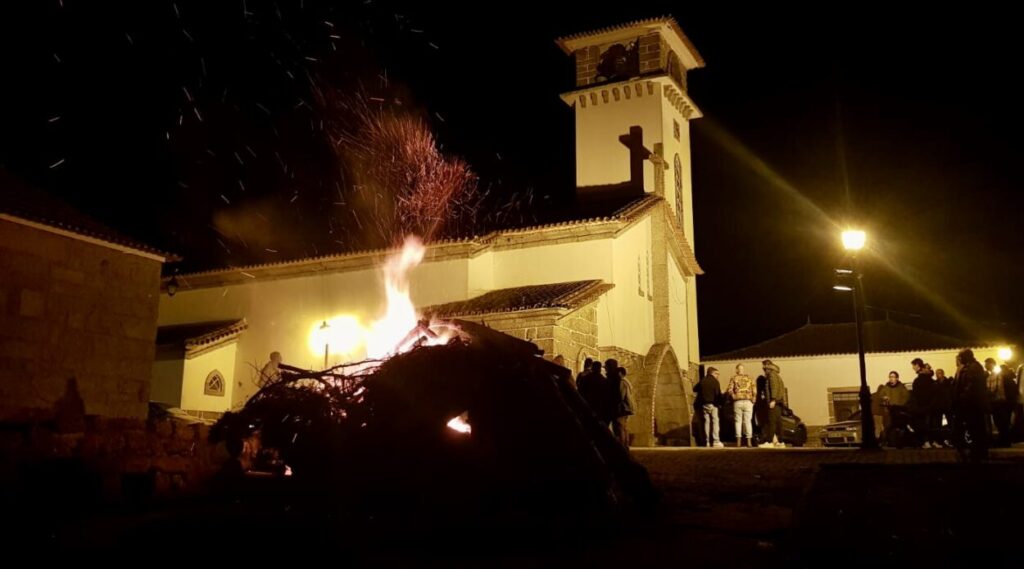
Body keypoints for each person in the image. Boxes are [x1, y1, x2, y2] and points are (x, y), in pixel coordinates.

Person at [727, 364, 757, 447]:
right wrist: (754, 398)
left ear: (736, 370)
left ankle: (738, 442)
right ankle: (749, 442)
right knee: (748, 421)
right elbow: (754, 389)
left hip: (738, 401)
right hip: (748, 401)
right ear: (743, 369)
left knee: (738, 421)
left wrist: (733, 396)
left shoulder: (734, 378)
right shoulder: (750, 378)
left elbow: (729, 390)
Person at [759, 360, 786, 448]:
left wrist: (773, 400)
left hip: (774, 402)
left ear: (768, 366)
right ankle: (780, 442)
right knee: (778, 423)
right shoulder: (777, 375)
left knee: (771, 422)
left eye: (764, 366)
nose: (763, 368)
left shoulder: (771, 375)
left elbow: (773, 387)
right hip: (779, 402)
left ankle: (769, 441)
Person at [695, 367, 724, 447]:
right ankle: (716, 441)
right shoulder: (715, 382)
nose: (718, 376)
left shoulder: (702, 381)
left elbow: (695, 389)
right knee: (715, 422)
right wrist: (721, 403)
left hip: (704, 405)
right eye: (717, 374)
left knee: (706, 422)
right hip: (713, 404)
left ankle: (707, 441)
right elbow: (718, 395)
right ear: (712, 373)